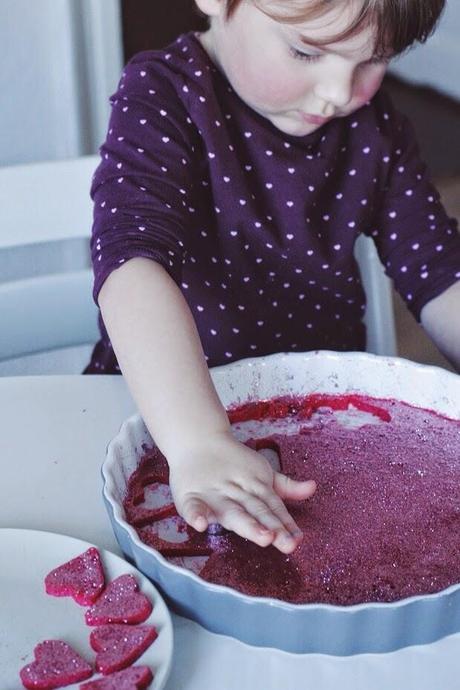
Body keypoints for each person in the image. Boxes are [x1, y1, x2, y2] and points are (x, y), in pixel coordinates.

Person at [85, 0, 460, 554]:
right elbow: (131, 267)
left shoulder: (377, 127)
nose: (339, 91)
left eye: (374, 59)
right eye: (306, 50)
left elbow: (439, 273)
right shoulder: (164, 96)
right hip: (165, 421)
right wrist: (199, 439)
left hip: (314, 431)